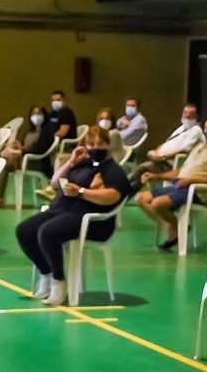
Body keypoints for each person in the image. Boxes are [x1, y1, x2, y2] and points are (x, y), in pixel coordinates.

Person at [16, 125, 130, 306]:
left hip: (91, 219)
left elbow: (112, 196)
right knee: (24, 230)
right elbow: (54, 183)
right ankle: (45, 273)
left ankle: (59, 281)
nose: (95, 148)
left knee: (47, 233)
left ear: (108, 145)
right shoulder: (81, 164)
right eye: (91, 144)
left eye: (100, 144)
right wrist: (71, 161)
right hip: (60, 210)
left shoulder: (114, 170)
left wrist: (82, 192)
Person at [134, 116, 207, 250]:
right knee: (141, 198)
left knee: (157, 204)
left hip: (196, 191)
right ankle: (171, 227)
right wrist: (156, 176)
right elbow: (180, 171)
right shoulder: (200, 146)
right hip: (179, 184)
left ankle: (176, 230)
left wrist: (192, 180)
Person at [128, 103, 204, 189]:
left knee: (142, 168)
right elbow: (167, 142)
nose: (186, 115)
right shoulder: (181, 128)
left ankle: (120, 186)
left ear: (196, 116)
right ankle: (124, 191)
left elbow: (184, 150)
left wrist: (163, 157)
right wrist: (156, 153)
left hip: (174, 165)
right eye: (185, 112)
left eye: (190, 114)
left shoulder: (196, 130)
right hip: (163, 162)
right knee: (142, 170)